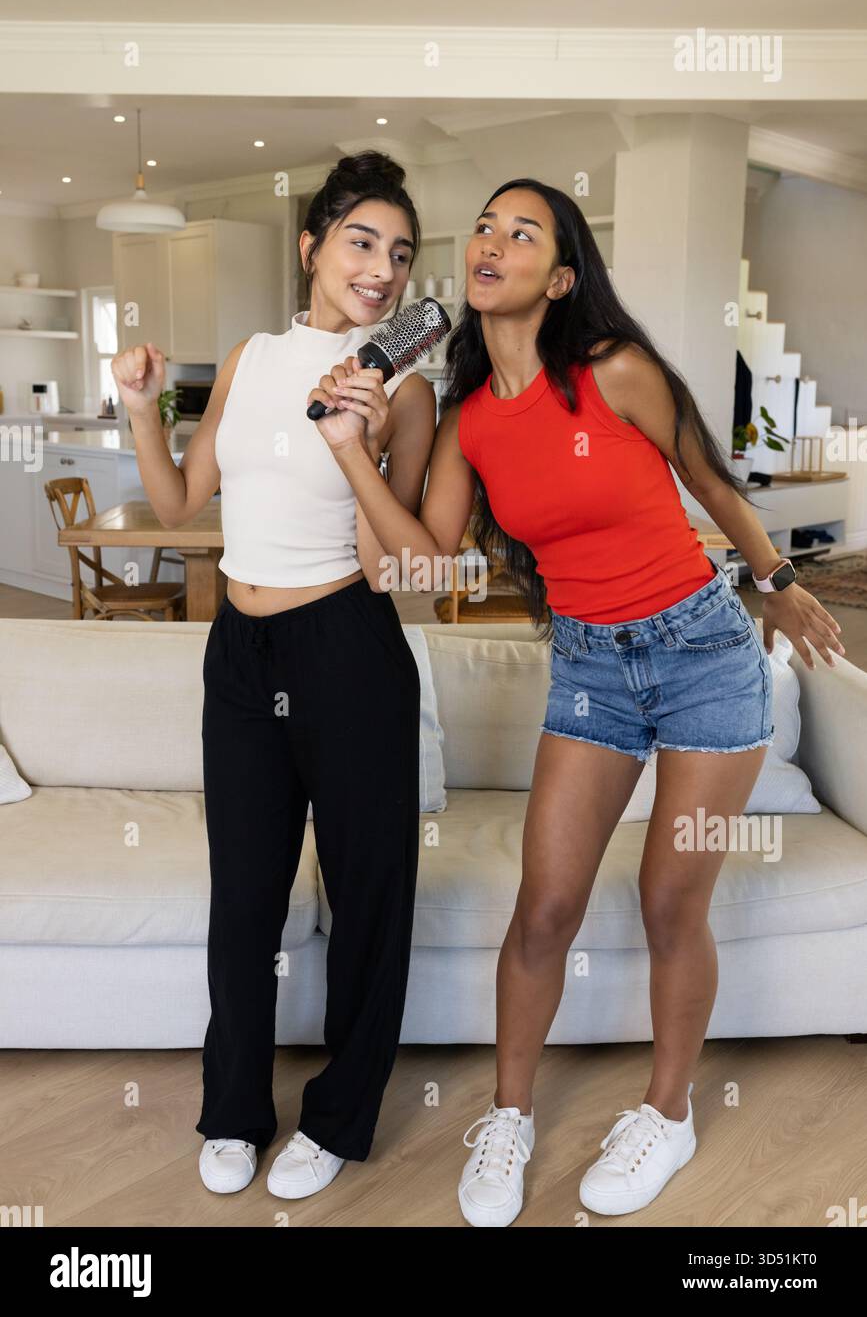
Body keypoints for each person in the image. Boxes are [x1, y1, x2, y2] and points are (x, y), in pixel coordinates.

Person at [311, 176, 845, 1226]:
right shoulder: (467, 425)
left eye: (523, 232)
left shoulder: (618, 371)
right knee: (546, 905)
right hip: (593, 673)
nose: (491, 243)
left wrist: (778, 587)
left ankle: (669, 1110)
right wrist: (351, 451)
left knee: (666, 900)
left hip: (707, 658)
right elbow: (418, 569)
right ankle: (509, 1118)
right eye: (484, 228)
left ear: (559, 278)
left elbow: (713, 481)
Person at [111, 151, 437, 1200]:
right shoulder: (252, 358)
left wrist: (359, 443)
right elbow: (175, 506)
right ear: (312, 246)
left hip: (347, 647)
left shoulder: (409, 385)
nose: (380, 269)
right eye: (359, 241)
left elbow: (403, 567)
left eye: (398, 253)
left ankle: (340, 1119)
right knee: (244, 895)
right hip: (240, 651)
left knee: (368, 897)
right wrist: (142, 406)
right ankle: (235, 1109)